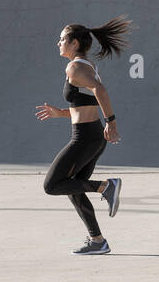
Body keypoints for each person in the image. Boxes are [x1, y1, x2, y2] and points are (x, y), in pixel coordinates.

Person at [35, 17, 132, 254]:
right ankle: (98, 241)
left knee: (52, 185)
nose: (58, 43)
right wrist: (61, 113)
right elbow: (87, 104)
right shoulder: (87, 66)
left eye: (62, 39)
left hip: (85, 138)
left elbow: (100, 91)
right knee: (72, 188)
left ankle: (106, 187)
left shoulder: (74, 67)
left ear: (74, 42)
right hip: (92, 136)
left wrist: (112, 121)